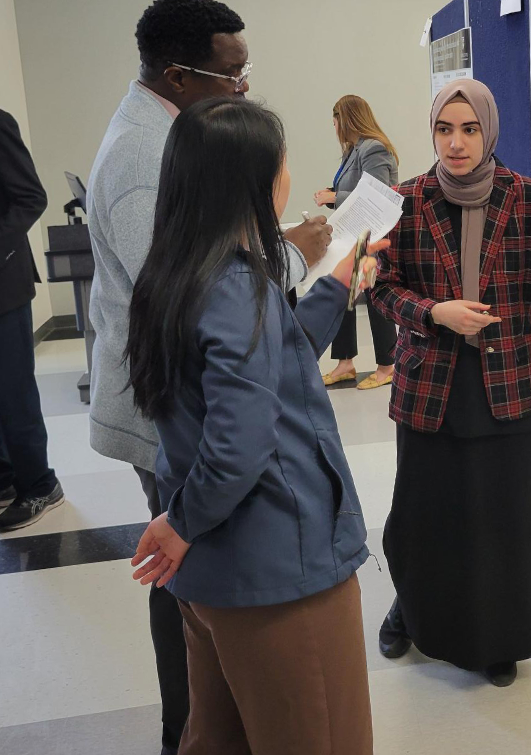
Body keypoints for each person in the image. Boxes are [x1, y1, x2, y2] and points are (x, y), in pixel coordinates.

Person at [86, 0, 331, 755]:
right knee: (184, 584)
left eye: (244, 70)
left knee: (197, 572)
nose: (242, 87)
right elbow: (185, 282)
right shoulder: (140, 154)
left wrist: (291, 252)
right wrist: (296, 254)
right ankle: (189, 731)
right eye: (228, 74)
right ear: (175, 74)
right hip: (165, 410)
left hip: (186, 393)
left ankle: (214, 722)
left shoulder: (177, 128)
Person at [128, 98, 379, 755]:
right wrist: (182, 523)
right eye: (284, 160)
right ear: (257, 180)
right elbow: (239, 442)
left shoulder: (171, 274)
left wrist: (336, 283)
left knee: (218, 738)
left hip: (211, 574)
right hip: (279, 574)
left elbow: (277, 360)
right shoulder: (236, 284)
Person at [371, 80, 531, 687]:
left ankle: (500, 637)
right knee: (424, 516)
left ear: (489, 130)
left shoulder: (526, 196)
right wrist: (433, 313)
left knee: (505, 521)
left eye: (469, 129)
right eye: (444, 129)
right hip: (432, 385)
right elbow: (381, 287)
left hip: (509, 385)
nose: (456, 143)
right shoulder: (404, 199)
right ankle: (413, 609)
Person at [0, 108, 64, 531]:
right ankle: (2, 480)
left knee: (12, 394)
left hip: (2, 285)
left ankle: (41, 485)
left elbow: (31, 198)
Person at [313, 95, 399, 390]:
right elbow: (354, 189)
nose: (334, 127)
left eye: (335, 121)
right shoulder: (354, 150)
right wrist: (332, 193)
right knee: (344, 298)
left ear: (345, 119)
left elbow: (378, 195)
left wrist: (335, 197)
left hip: (373, 237)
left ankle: (387, 367)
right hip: (352, 236)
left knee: (375, 300)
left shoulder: (374, 148)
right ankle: (345, 364)